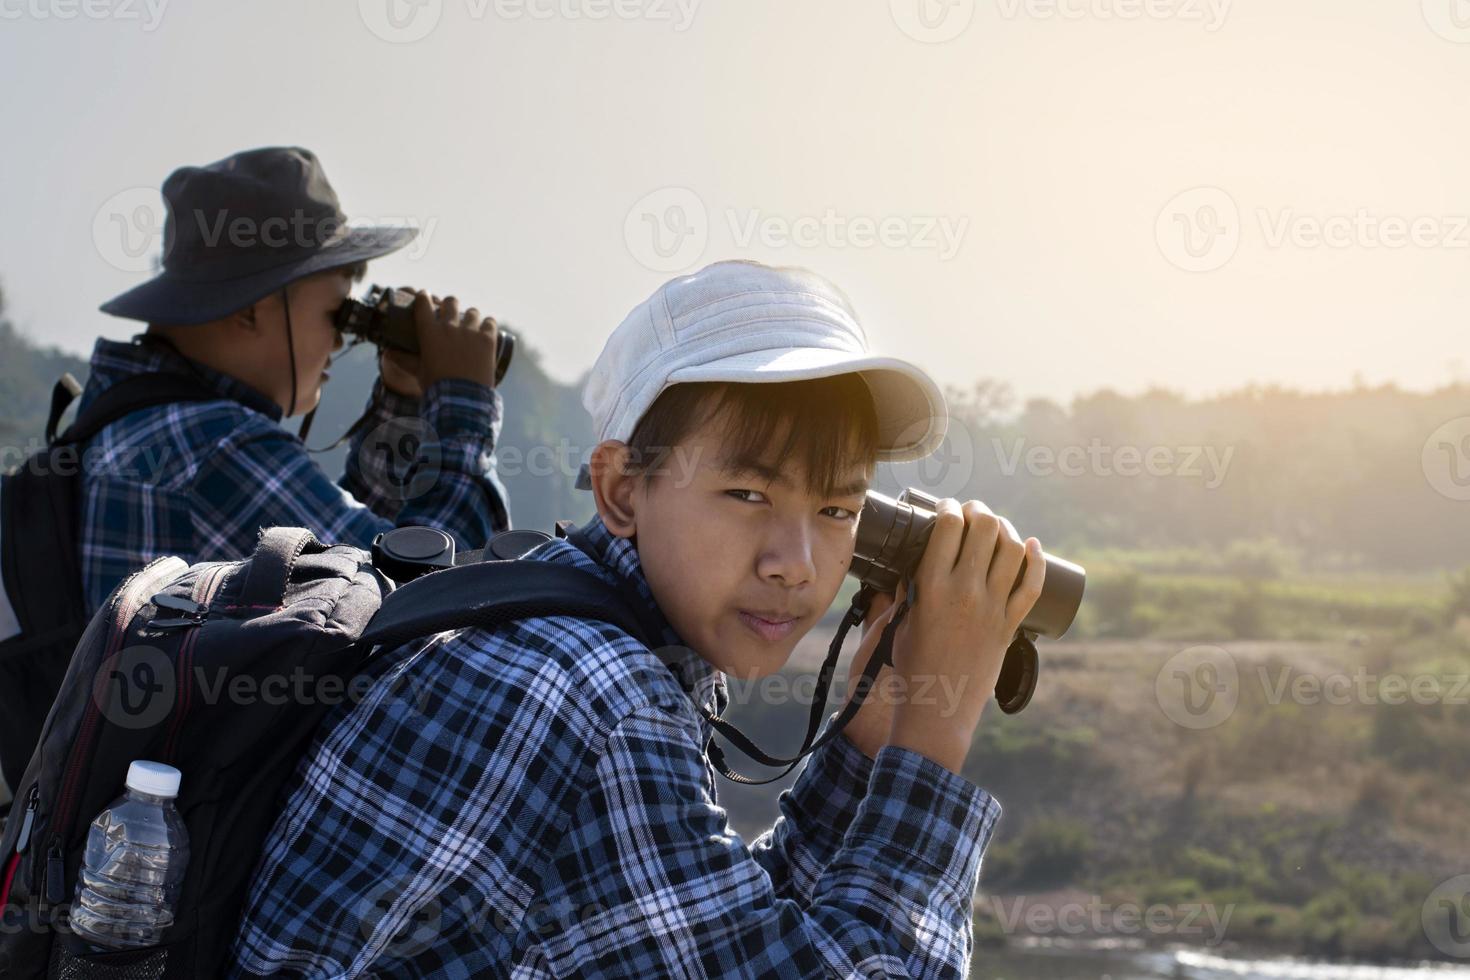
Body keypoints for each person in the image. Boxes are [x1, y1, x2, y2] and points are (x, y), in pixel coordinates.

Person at [229, 260, 1044, 978]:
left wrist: (873, 722)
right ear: (622, 490)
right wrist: (935, 732)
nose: (794, 562)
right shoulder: (597, 690)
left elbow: (730, 940)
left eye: (838, 509)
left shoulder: (560, 614)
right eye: (748, 495)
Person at [77, 146, 509, 612]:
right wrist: (464, 408)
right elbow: (411, 604)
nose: (341, 340)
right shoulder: (216, 446)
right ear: (249, 310)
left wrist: (403, 405)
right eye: (336, 313)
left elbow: (340, 556)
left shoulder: (137, 419)